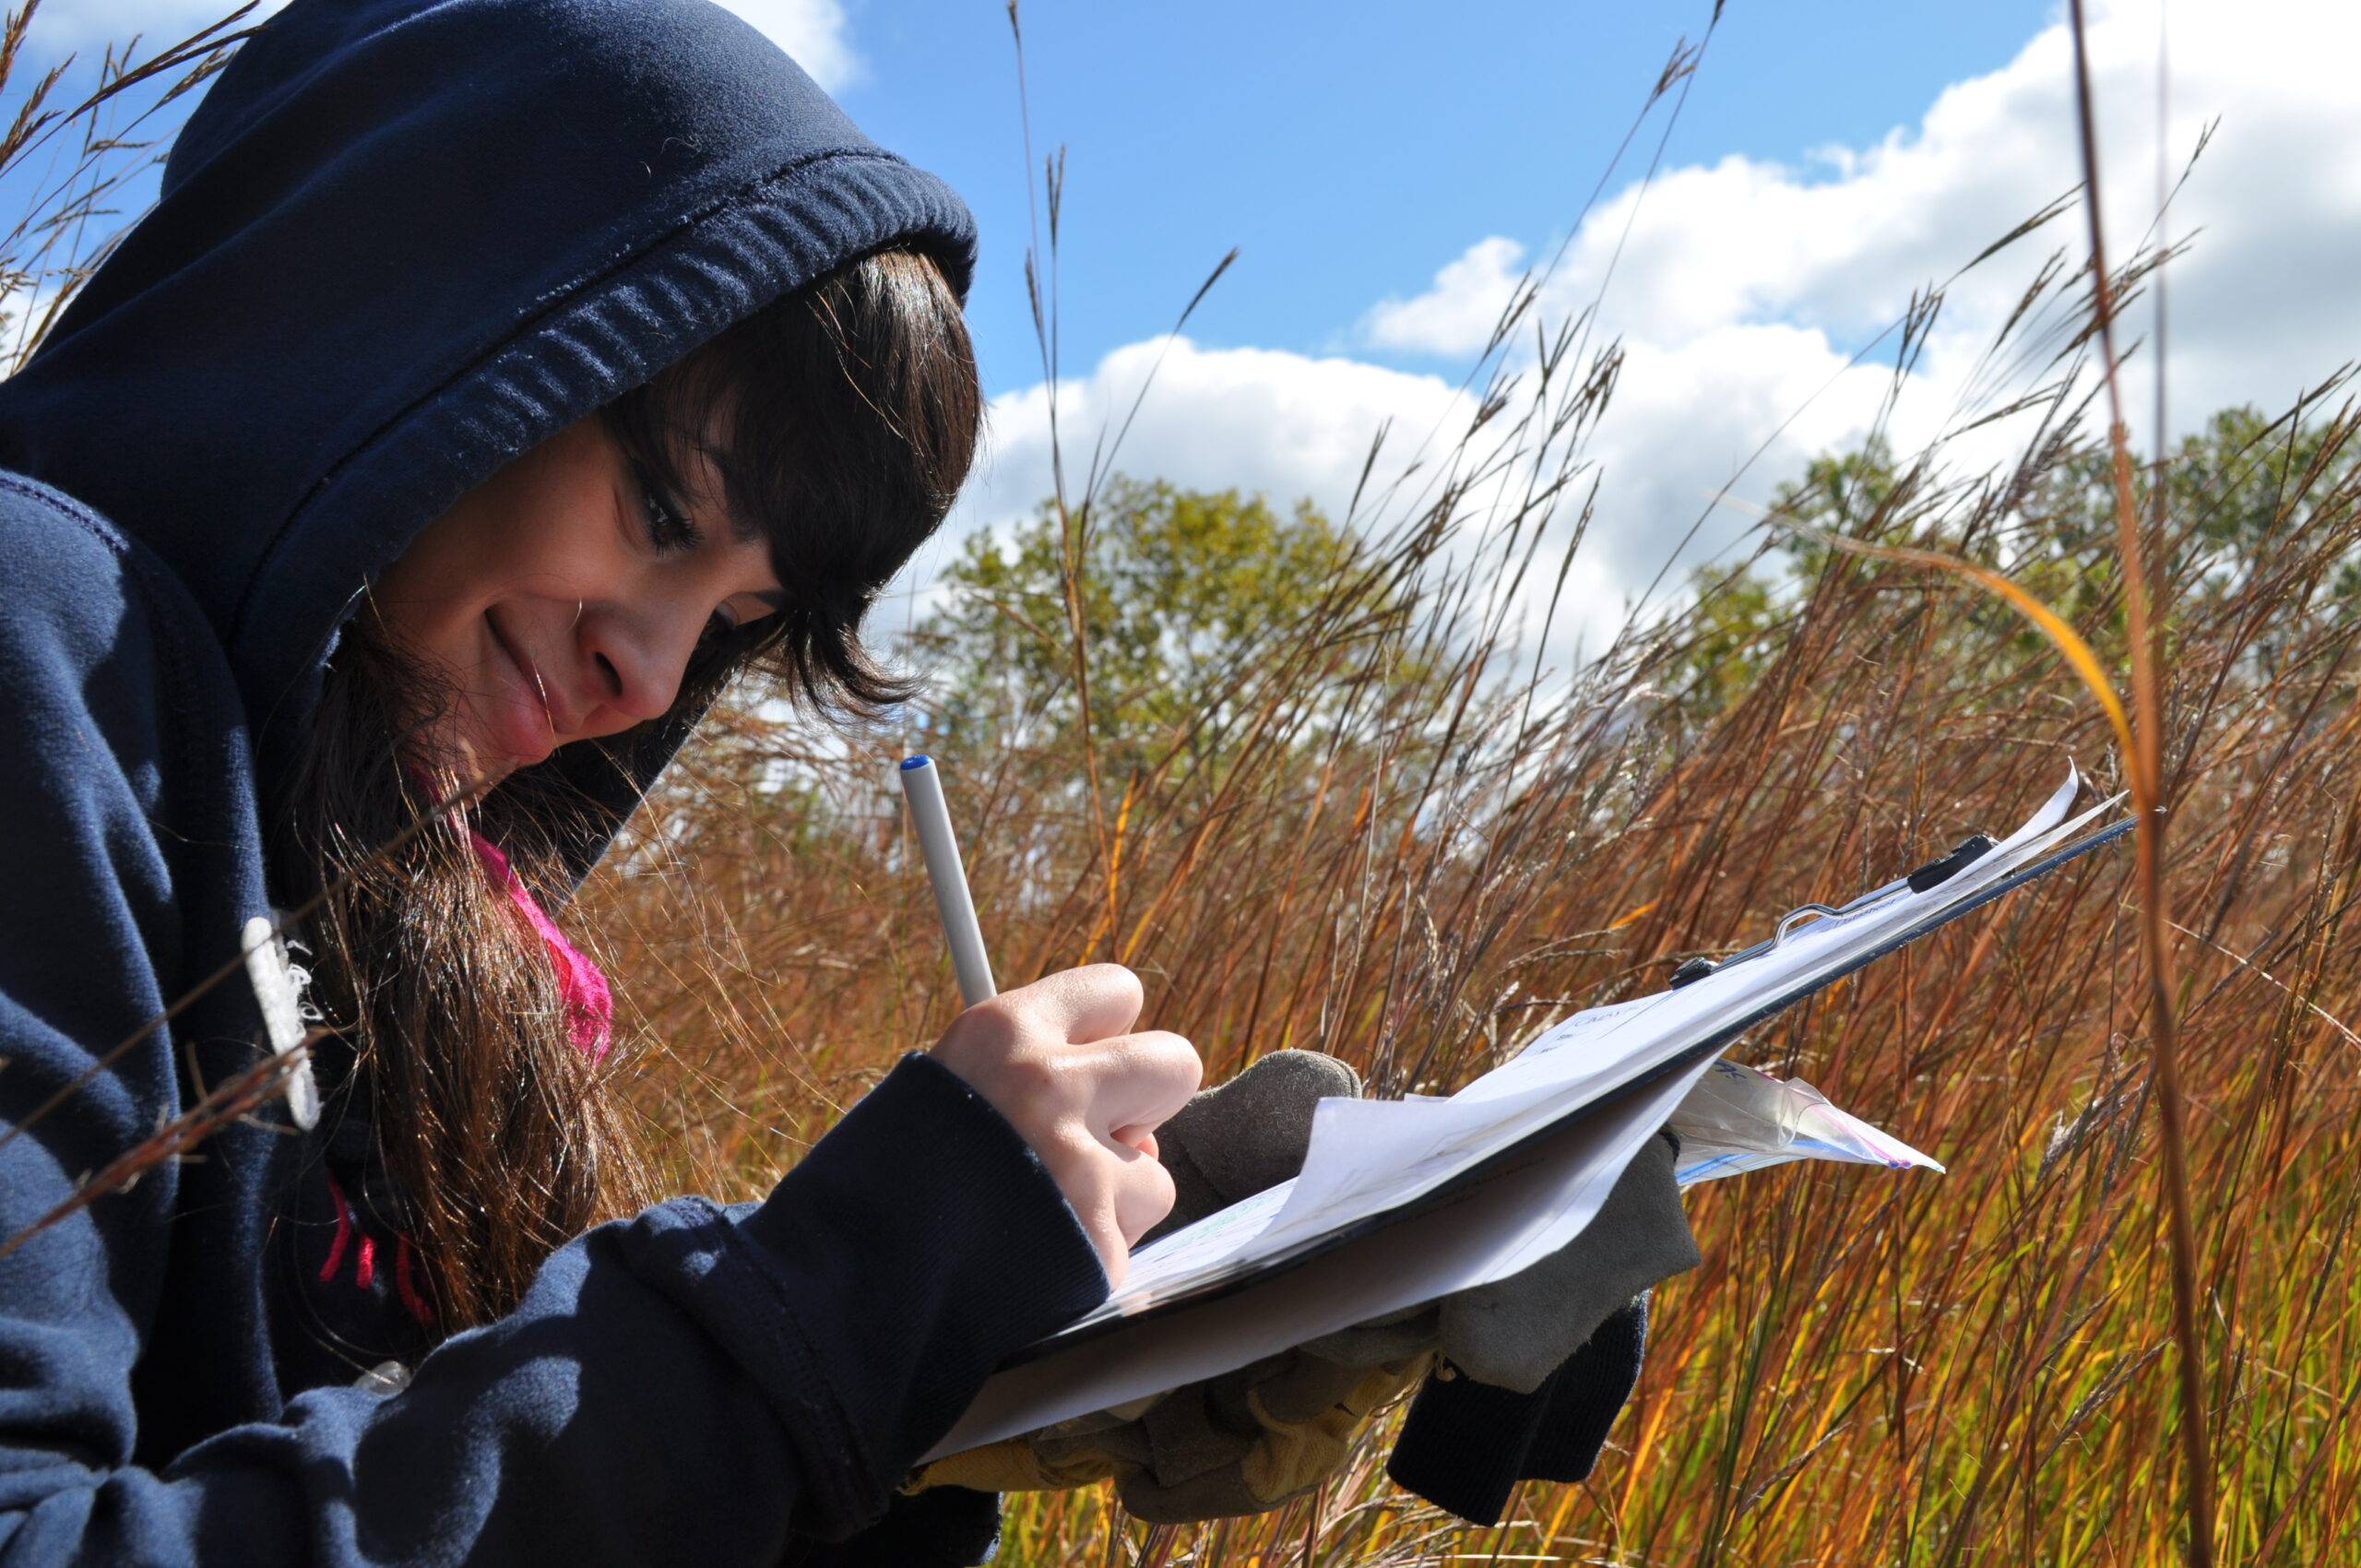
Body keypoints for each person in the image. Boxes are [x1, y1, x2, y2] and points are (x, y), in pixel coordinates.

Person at [0, 0, 1201, 1562]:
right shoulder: (40, 644)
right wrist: (798, 1335)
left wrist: (929, 1392)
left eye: (737, 625)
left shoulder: (411, 927)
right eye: (657, 507)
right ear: (412, 312)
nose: (652, 673)